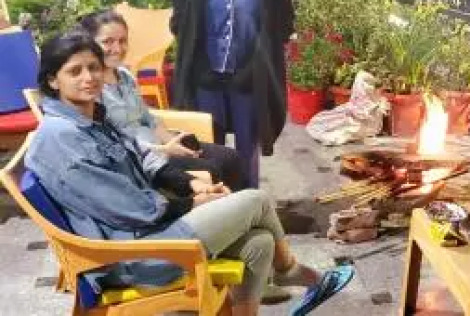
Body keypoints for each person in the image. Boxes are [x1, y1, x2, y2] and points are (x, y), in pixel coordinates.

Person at [26, 33, 352, 316]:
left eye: (93, 67)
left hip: (147, 233)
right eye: (75, 71)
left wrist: (190, 185)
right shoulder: (60, 137)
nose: (89, 77)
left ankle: (277, 278)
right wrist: (192, 203)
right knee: (257, 200)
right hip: (132, 255)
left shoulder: (93, 118)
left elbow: (141, 156)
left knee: (260, 242)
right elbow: (127, 207)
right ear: (53, 80)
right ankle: (289, 271)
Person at [170, 0, 294, 189]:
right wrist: (198, 61)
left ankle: (248, 204)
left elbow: (283, 20)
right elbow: (180, 19)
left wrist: (259, 60)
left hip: (249, 77)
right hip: (206, 78)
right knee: (208, 151)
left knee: (246, 150)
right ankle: (216, 202)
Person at [77, 10, 243, 191]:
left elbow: (148, 118)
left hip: (158, 143)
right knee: (212, 170)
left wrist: (173, 142)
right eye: (108, 42)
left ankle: (242, 205)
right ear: (90, 43)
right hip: (138, 156)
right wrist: (163, 149)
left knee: (231, 157)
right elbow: (111, 141)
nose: (117, 49)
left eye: (122, 41)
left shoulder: (124, 75)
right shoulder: (90, 87)